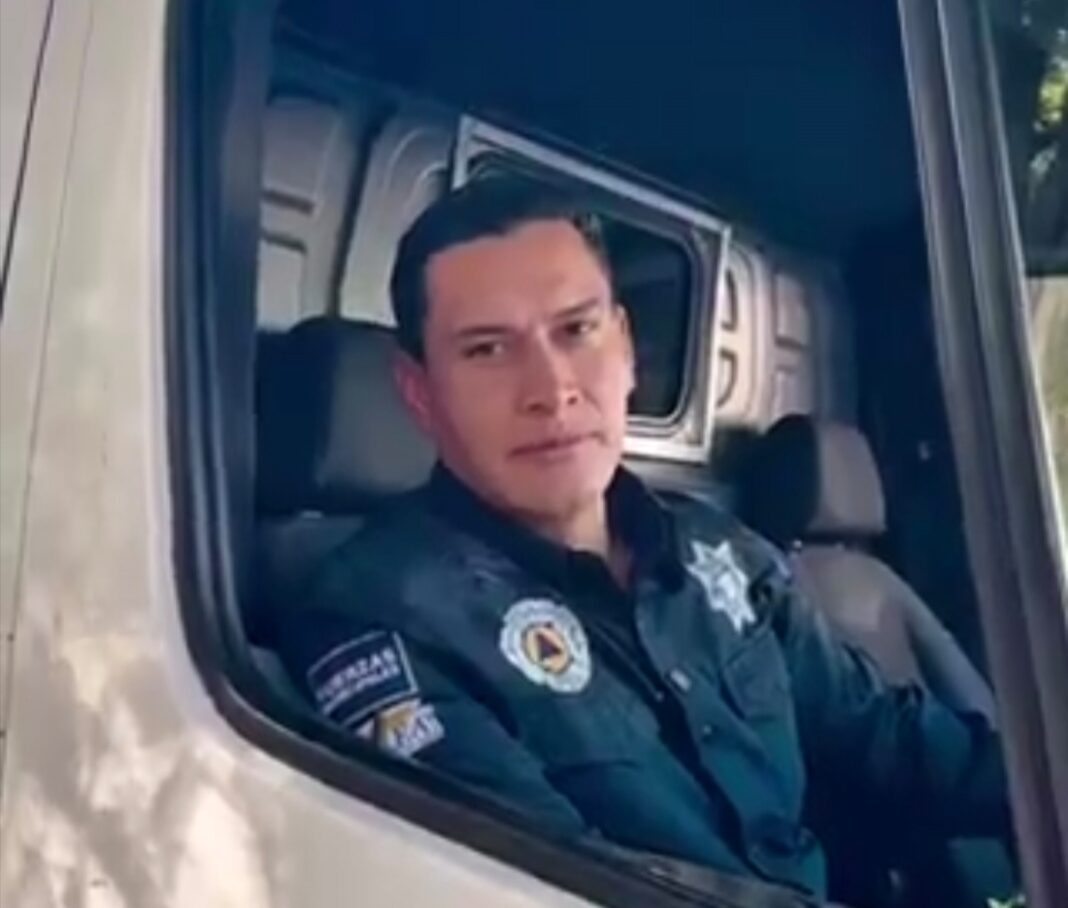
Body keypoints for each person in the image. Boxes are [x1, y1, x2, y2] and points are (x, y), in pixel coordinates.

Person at [275, 175, 1009, 898]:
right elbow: (543, 884)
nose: (552, 389)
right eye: (488, 350)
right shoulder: (382, 617)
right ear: (419, 392)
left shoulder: (723, 554)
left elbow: (891, 741)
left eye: (576, 330)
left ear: (625, 347)